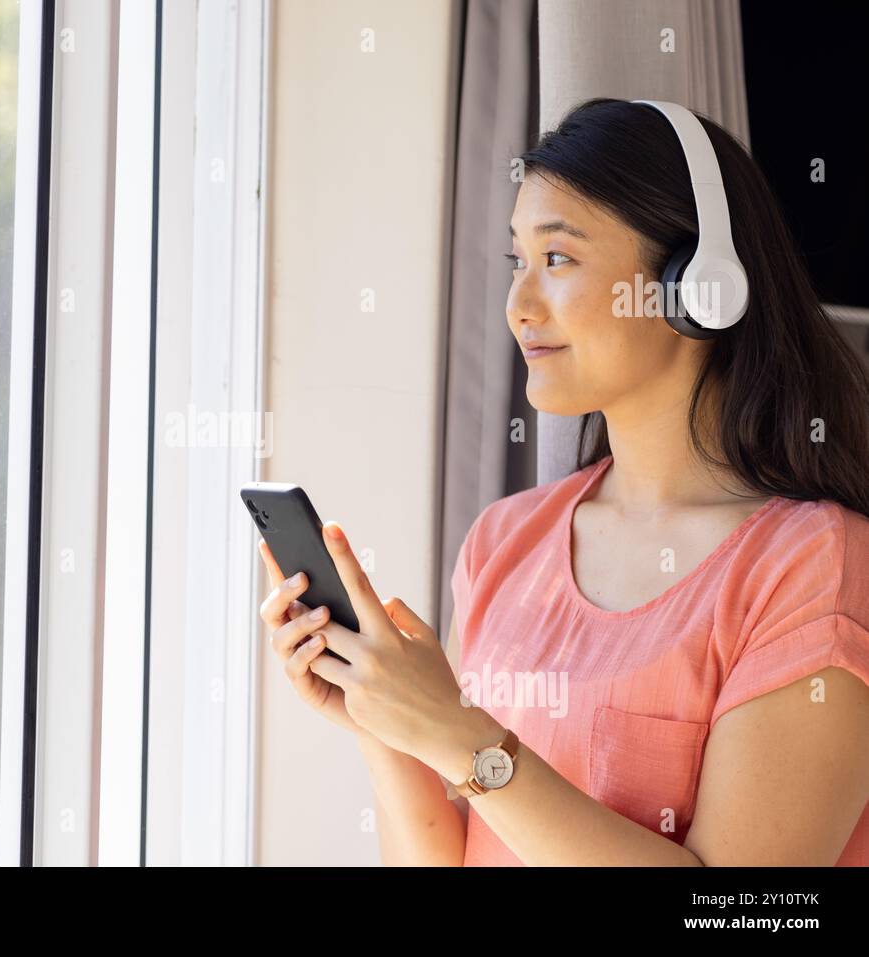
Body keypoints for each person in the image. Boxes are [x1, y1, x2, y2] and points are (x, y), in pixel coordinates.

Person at [258, 97, 869, 866]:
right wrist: (389, 724)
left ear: (695, 285)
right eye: (519, 262)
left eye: (558, 259)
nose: (518, 306)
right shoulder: (503, 542)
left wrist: (462, 734)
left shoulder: (814, 566)